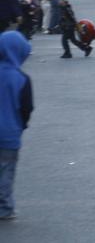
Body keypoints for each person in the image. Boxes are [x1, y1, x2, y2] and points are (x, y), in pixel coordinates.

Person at [0, 31, 33, 220]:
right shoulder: (21, 79)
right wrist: (22, 125)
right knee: (6, 171)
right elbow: (26, 108)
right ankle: (4, 207)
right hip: (9, 133)